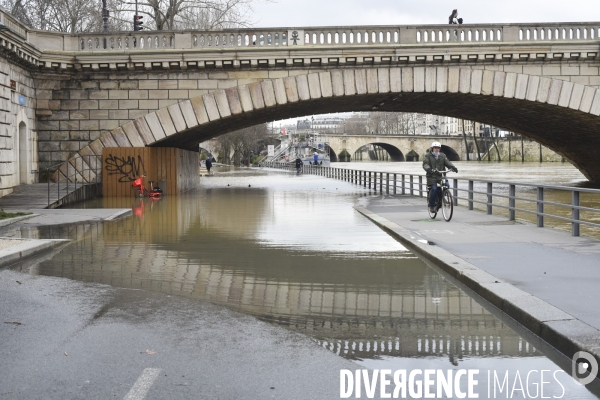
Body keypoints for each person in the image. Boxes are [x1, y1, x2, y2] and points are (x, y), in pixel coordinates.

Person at [423, 141, 458, 213]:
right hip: (431, 177)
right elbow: (425, 164)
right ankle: (431, 205)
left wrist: (452, 167)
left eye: (438, 148)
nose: (437, 149)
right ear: (432, 148)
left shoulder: (443, 156)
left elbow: (447, 162)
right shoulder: (428, 156)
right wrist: (428, 169)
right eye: (435, 148)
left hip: (440, 176)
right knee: (434, 188)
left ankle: (441, 200)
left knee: (446, 186)